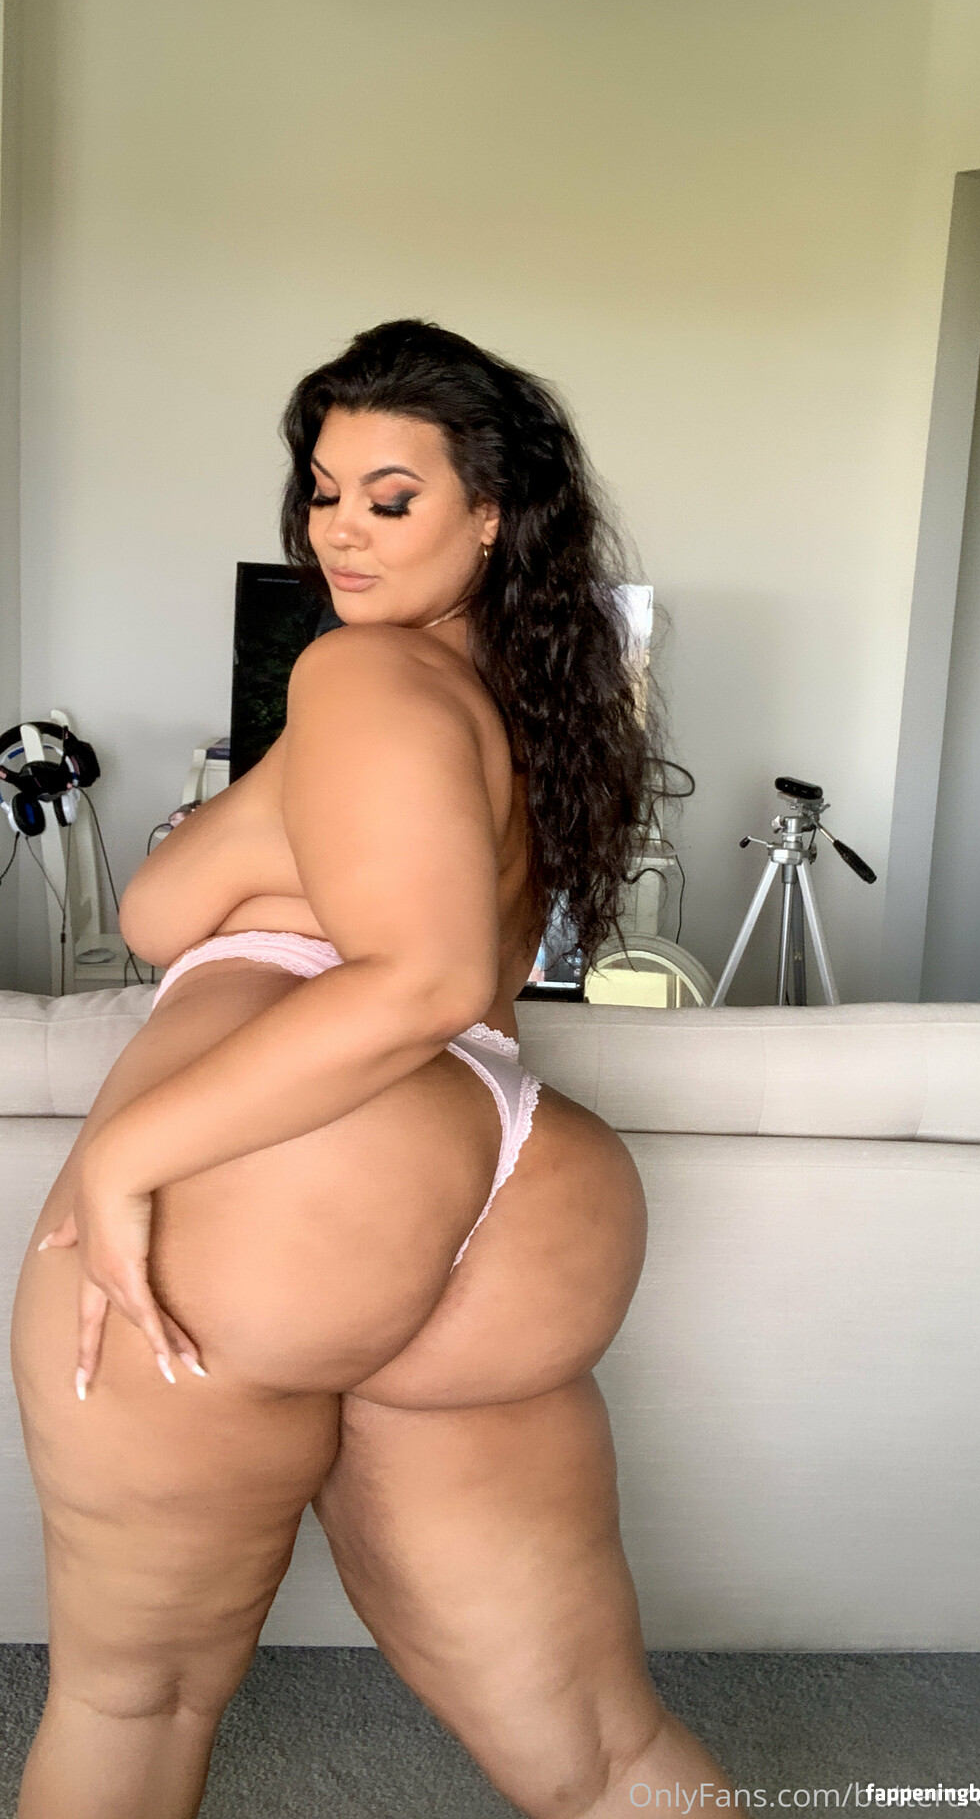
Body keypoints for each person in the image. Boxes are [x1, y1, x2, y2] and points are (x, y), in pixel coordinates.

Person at [11, 319, 735, 1817]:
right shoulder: (518, 705)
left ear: (493, 514)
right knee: (601, 1757)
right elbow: (467, 988)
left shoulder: (360, 674)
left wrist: (131, 1154)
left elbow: (424, 977)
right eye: (325, 492)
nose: (340, 529)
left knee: (135, 1697)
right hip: (528, 1181)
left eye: (390, 498)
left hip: (288, 1186)